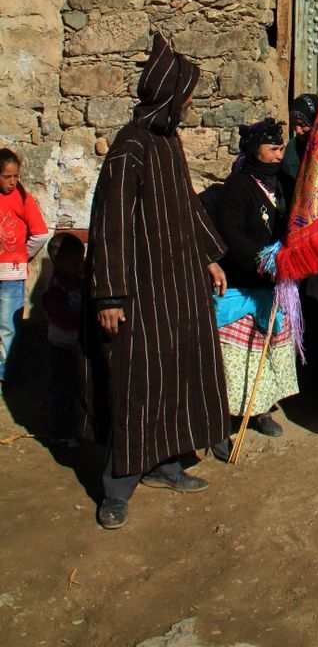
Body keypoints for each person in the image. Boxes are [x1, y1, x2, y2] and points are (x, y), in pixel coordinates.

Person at [84, 33, 229, 529]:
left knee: (176, 373)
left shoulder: (168, 143)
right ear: (169, 96)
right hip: (141, 294)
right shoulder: (130, 147)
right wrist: (110, 294)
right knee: (136, 381)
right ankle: (117, 486)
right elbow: (111, 223)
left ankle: (165, 464)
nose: (188, 107)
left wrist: (209, 256)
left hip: (179, 288)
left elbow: (186, 204)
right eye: (186, 98)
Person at [211, 118, 299, 460]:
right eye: (273, 149)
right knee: (238, 356)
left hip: (276, 284)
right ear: (254, 150)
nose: (279, 155)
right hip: (245, 285)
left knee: (266, 351)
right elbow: (231, 236)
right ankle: (222, 423)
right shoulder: (237, 188)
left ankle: (260, 409)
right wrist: (263, 261)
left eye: (281, 149)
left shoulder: (282, 184)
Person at [0, 147, 50, 386]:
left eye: (15, 176)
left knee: (8, 325)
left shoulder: (22, 198)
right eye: (6, 177)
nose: (12, 182)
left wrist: (23, 255)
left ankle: (4, 374)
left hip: (11, 272)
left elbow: (40, 233)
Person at [43, 233, 84, 448]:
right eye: (75, 263)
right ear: (57, 262)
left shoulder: (76, 281)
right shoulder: (56, 288)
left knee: (74, 390)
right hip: (61, 347)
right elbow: (63, 319)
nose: (80, 266)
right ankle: (59, 433)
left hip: (74, 345)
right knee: (62, 392)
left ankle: (71, 429)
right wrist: (84, 321)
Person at [282, 94, 318, 182]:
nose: (297, 130)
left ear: (315, 121)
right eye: (293, 124)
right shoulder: (292, 147)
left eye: (302, 124)